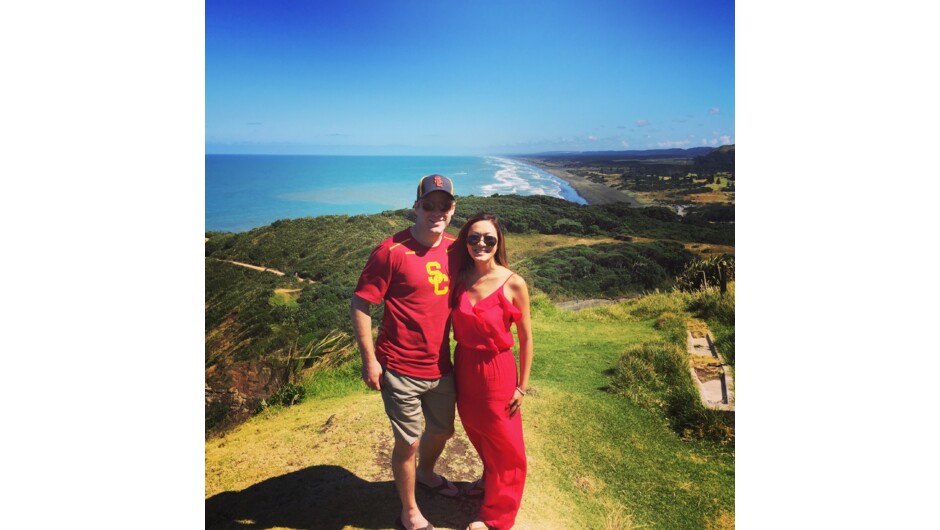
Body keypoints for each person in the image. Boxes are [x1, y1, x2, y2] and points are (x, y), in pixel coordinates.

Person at [350, 174, 461, 530]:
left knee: (442, 432)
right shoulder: (390, 251)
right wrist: (370, 360)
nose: (436, 212)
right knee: (409, 441)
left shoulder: (457, 248)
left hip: (441, 366)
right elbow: (361, 303)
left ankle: (426, 474)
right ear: (416, 207)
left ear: (453, 209)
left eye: (444, 205)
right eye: (429, 205)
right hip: (399, 367)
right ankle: (409, 511)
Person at [450, 212, 533, 530]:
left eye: (489, 238)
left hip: (497, 368)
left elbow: (526, 339)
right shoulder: (460, 277)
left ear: (499, 243)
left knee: (505, 445)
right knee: (476, 428)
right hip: (465, 365)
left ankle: (497, 516)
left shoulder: (514, 283)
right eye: (473, 238)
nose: (481, 243)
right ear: (465, 242)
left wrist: (522, 386)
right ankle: (490, 478)